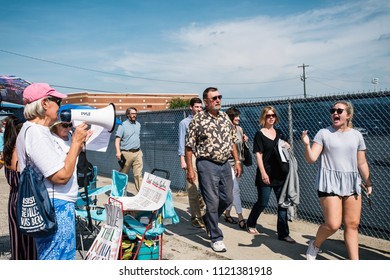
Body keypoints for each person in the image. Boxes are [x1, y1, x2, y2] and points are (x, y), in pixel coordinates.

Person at [16, 83, 91, 260]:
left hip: (53, 203)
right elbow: (60, 176)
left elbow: (58, 164)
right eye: (57, 101)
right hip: (55, 205)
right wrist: (75, 143)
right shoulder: (36, 133)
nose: (60, 105)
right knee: (59, 258)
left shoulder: (34, 131)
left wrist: (77, 146)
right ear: (44, 104)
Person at [301, 100, 372, 260]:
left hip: (352, 183)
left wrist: (368, 182)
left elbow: (361, 162)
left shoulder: (357, 135)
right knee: (333, 224)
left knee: (352, 225)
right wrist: (306, 145)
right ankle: (315, 245)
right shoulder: (323, 133)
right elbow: (311, 159)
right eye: (333, 110)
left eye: (339, 111)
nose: (335, 113)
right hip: (329, 183)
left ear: (348, 115)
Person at [185, 87, 242, 252]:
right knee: (212, 201)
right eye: (214, 98)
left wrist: (237, 161)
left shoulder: (225, 117)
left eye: (220, 97)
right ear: (206, 101)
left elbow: (232, 141)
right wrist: (190, 169)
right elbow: (189, 147)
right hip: (206, 164)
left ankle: (208, 219)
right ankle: (215, 237)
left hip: (225, 164)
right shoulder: (198, 119)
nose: (218, 100)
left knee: (228, 198)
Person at [246, 106, 296, 244]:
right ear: (264, 117)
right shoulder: (259, 134)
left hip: (280, 174)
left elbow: (287, 149)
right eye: (268, 115)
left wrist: (287, 145)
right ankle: (250, 222)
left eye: (273, 115)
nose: (271, 117)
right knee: (263, 202)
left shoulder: (279, 133)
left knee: (283, 204)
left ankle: (284, 233)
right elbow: (259, 155)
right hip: (266, 174)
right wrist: (263, 173)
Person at [3, 115, 37, 260]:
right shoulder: (22, 153)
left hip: (13, 200)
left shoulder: (7, 151)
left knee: (17, 242)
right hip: (26, 202)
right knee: (30, 244)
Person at [178, 97, 206, 228]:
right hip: (192, 156)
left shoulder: (206, 121)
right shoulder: (184, 123)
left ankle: (203, 209)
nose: (199, 109)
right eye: (196, 107)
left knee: (207, 187)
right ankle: (196, 217)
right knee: (193, 187)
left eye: (200, 107)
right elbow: (182, 142)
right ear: (191, 107)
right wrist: (183, 159)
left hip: (205, 156)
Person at [223, 107, 248, 230]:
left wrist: (245, 141)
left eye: (238, 116)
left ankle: (227, 214)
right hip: (228, 164)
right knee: (236, 190)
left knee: (233, 191)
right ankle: (240, 217)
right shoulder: (225, 130)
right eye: (236, 116)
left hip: (238, 163)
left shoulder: (240, 129)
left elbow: (240, 148)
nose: (238, 118)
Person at [115, 107, 143, 193]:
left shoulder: (138, 124)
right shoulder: (122, 125)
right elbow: (117, 140)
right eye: (132, 114)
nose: (134, 115)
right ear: (128, 115)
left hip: (137, 152)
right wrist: (118, 152)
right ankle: (120, 193)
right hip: (126, 153)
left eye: (135, 113)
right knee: (123, 175)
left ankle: (140, 194)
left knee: (138, 174)